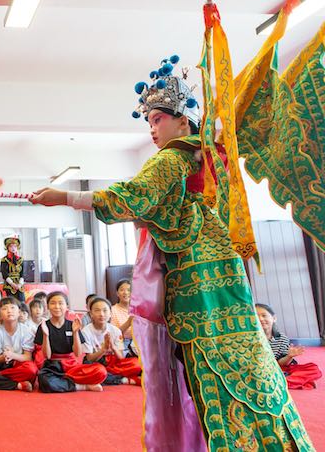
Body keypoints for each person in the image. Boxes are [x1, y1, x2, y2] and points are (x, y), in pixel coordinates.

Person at [30, 54, 312, 449]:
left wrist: (66, 197)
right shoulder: (208, 156)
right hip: (225, 277)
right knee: (245, 363)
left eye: (158, 118)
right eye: (148, 121)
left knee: (209, 373)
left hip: (195, 283)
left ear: (184, 121)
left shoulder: (174, 155)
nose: (152, 128)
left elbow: (134, 196)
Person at [36, 292, 105, 393]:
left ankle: (63, 382)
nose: (57, 306)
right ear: (48, 306)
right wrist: (46, 335)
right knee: (44, 381)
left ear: (66, 306)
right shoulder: (43, 326)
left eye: (60, 303)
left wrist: (75, 332)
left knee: (100, 371)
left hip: (71, 365)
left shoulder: (72, 325)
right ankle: (81, 386)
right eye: (53, 303)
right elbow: (47, 356)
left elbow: (77, 353)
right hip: (52, 367)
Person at [256, 304, 322, 390]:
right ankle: (291, 381)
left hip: (278, 369)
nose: (260, 319)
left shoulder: (282, 338)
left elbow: (281, 363)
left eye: (264, 315)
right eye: (256, 316)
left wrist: (289, 356)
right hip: (257, 370)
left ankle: (277, 382)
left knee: (314, 369)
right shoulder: (248, 338)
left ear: (274, 318)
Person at [80, 298, 141, 386]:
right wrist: (103, 350)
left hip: (113, 362)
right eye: (97, 310)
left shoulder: (116, 331)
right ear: (91, 314)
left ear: (110, 314)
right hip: (96, 362)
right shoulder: (86, 331)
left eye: (105, 310)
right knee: (98, 371)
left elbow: (121, 357)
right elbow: (89, 359)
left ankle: (107, 377)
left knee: (137, 364)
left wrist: (113, 347)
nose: (101, 314)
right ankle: (123, 380)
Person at [110, 279, 135, 356]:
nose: (126, 292)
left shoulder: (137, 309)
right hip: (121, 341)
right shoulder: (112, 310)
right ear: (117, 293)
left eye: (129, 290)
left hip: (137, 341)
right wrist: (128, 322)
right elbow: (114, 334)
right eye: (122, 290)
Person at [0, 235, 25, 302]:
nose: (13, 248)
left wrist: (20, 284)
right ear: (7, 248)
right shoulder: (4, 260)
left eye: (15, 246)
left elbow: (23, 273)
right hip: (9, 285)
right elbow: (4, 274)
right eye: (11, 246)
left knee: (22, 301)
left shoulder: (21, 259)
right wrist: (12, 284)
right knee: (11, 301)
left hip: (19, 284)